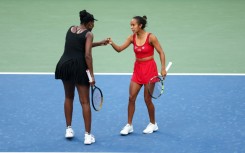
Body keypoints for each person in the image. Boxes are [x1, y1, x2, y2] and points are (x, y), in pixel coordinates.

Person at [55, 10, 108, 144]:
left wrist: (100, 43)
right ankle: (87, 136)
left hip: (64, 65)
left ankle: (68, 129)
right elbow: (87, 55)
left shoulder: (70, 29)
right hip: (79, 68)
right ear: (89, 23)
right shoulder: (89, 34)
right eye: (93, 23)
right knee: (85, 102)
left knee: (68, 97)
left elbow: (78, 46)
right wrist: (91, 76)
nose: (93, 25)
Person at [108, 15, 167, 135]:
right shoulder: (132, 38)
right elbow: (119, 49)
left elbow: (161, 52)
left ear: (140, 26)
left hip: (150, 70)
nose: (131, 27)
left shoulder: (151, 37)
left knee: (147, 99)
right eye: (130, 25)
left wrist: (163, 68)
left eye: (133, 25)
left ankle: (153, 123)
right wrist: (111, 43)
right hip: (138, 70)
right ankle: (129, 125)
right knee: (131, 98)